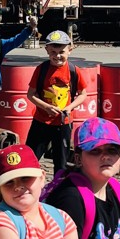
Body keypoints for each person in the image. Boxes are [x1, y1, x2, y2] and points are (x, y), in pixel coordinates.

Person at [25, 30, 87, 173]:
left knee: (61, 162)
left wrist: (69, 108)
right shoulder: (41, 69)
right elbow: (31, 94)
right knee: (30, 158)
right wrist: (46, 107)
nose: (57, 56)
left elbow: (83, 94)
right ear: (47, 50)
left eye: (61, 52)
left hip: (63, 123)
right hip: (41, 121)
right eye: (53, 52)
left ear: (70, 50)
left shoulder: (74, 71)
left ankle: (58, 185)